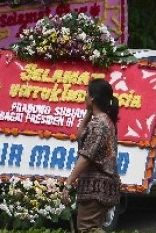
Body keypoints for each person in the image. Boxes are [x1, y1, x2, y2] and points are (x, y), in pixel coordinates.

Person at [62, 78, 121, 232]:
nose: (85, 96)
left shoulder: (98, 125)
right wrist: (90, 110)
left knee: (87, 228)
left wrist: (68, 183)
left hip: (96, 187)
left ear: (93, 97)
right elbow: (80, 135)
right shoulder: (104, 121)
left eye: (87, 94)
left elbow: (86, 158)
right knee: (92, 228)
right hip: (101, 186)